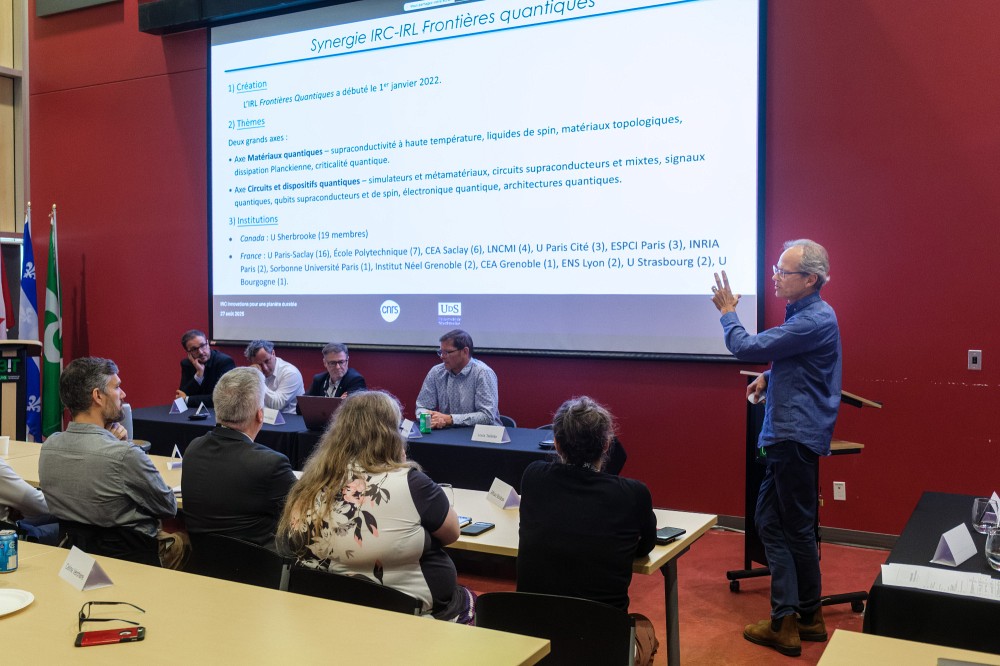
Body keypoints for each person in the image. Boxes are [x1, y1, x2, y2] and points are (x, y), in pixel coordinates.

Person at [711, 239, 841, 657]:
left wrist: (728, 313)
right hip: (788, 436)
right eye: (775, 270)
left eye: (784, 272)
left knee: (789, 528)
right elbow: (797, 359)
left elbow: (744, 346)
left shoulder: (814, 318)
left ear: (811, 279)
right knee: (773, 521)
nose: (776, 278)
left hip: (792, 437)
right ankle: (807, 617)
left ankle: (787, 622)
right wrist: (770, 376)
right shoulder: (807, 315)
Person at [276, 391, 475, 623]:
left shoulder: (310, 482)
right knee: (468, 599)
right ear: (392, 434)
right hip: (406, 614)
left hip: (322, 607)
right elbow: (452, 534)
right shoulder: (412, 483)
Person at [517, 396, 658, 666]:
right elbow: (645, 546)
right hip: (602, 645)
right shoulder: (634, 494)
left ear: (556, 444)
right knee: (644, 629)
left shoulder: (533, 476)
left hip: (533, 643)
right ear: (606, 444)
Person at [38, 357, 182, 566]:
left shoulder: (49, 446)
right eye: (117, 387)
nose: (123, 394)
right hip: (131, 563)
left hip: (76, 562)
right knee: (184, 542)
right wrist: (116, 445)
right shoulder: (125, 455)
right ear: (98, 396)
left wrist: (109, 441)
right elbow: (168, 507)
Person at [182, 367, 297, 547]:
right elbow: (304, 511)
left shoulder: (193, 448)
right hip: (261, 562)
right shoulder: (271, 464)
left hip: (203, 558)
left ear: (218, 410)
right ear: (260, 415)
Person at [415, 329, 500, 428]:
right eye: (441, 352)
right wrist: (430, 419)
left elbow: (487, 416)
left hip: (482, 434)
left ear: (465, 351)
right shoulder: (436, 372)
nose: (442, 357)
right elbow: (422, 407)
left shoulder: (483, 373)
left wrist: (450, 419)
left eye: (447, 352)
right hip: (449, 432)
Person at [176, 329, 236, 408]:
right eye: (194, 349)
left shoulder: (224, 362)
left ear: (208, 343)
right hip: (193, 411)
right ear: (188, 352)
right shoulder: (186, 364)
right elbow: (181, 396)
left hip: (219, 412)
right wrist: (198, 375)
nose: (200, 352)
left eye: (202, 346)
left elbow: (222, 398)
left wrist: (187, 399)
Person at [245, 339, 304, 414]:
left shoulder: (291, 373)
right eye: (259, 364)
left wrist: (257, 380)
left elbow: (277, 405)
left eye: (267, 361)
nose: (265, 368)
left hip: (287, 418)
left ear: (273, 353)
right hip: (263, 417)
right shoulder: (254, 372)